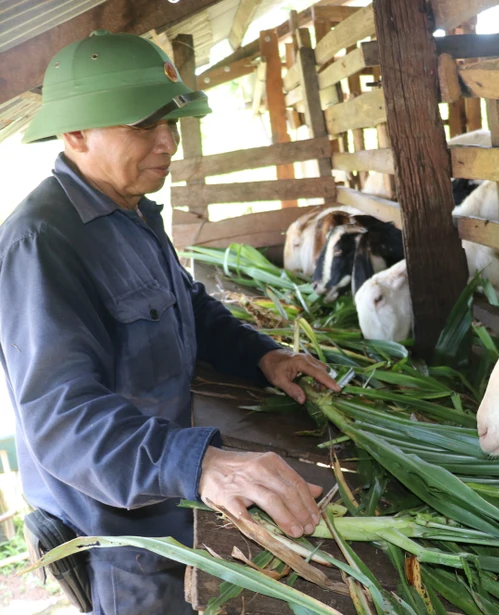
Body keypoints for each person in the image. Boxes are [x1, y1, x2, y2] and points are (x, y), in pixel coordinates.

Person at [0, 30, 340, 614]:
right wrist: (200, 462)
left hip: (170, 495)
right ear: (75, 133)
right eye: (142, 126)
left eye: (172, 125)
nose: (168, 144)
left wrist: (264, 356)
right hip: (118, 535)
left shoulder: (132, 211)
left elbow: (192, 306)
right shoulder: (42, 243)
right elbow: (62, 420)